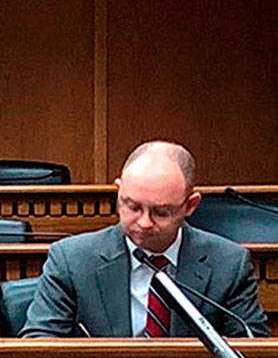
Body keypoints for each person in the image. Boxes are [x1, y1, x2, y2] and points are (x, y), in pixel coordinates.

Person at [21, 141, 268, 338]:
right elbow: (40, 345)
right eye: (133, 207)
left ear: (190, 205)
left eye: (161, 212)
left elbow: (251, 352)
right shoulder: (71, 259)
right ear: (119, 192)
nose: (144, 222)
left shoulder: (228, 263)